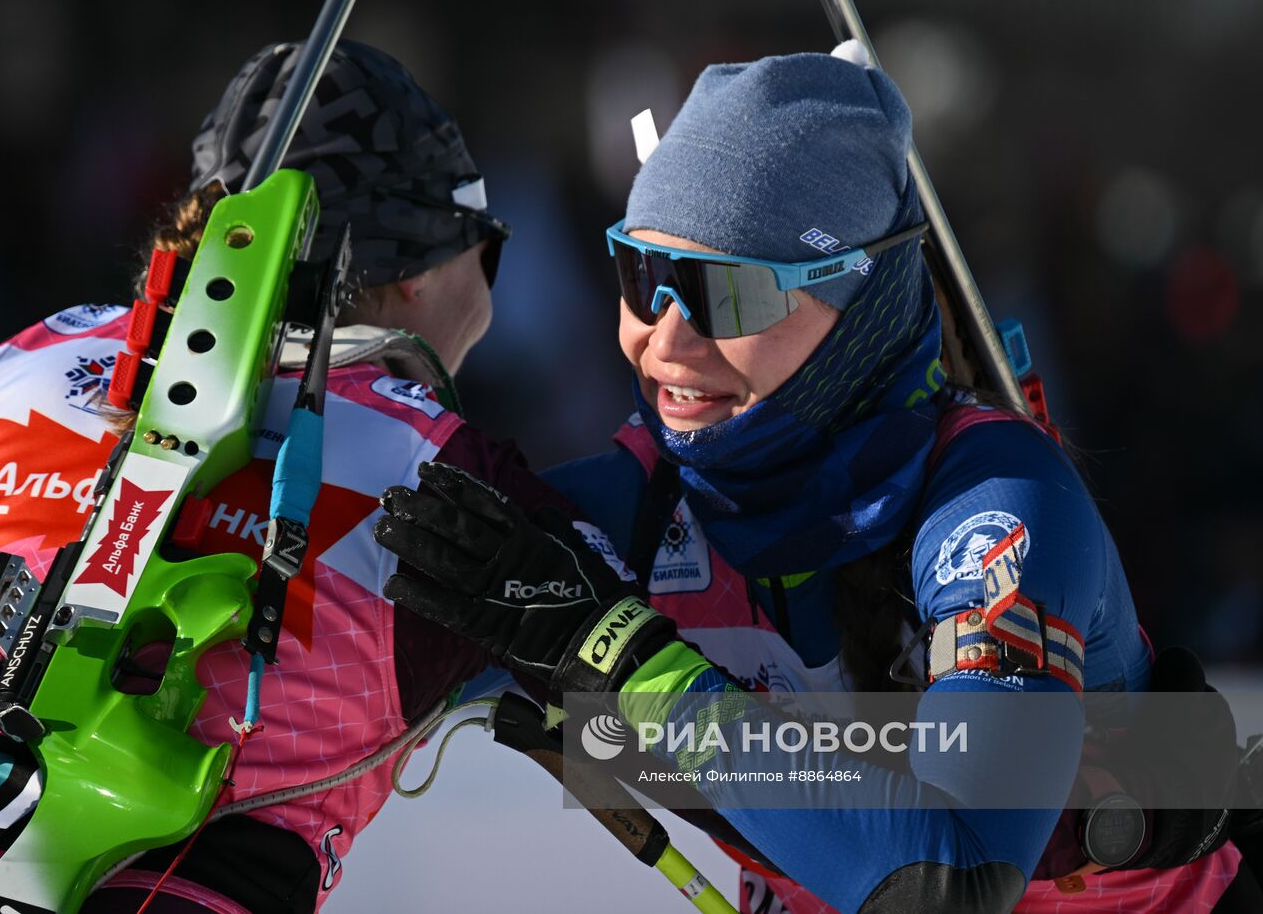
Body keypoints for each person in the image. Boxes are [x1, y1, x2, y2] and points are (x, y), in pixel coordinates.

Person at [373, 45, 1256, 912]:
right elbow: (334, 610)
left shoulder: (993, 505)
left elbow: (945, 880)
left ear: (857, 301)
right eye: (643, 279)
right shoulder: (638, 508)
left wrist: (628, 668)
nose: (668, 342)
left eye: (729, 293)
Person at [0, 39, 578, 913]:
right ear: (420, 272)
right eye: (487, 251)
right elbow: (726, 761)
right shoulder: (442, 467)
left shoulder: (9, 367)